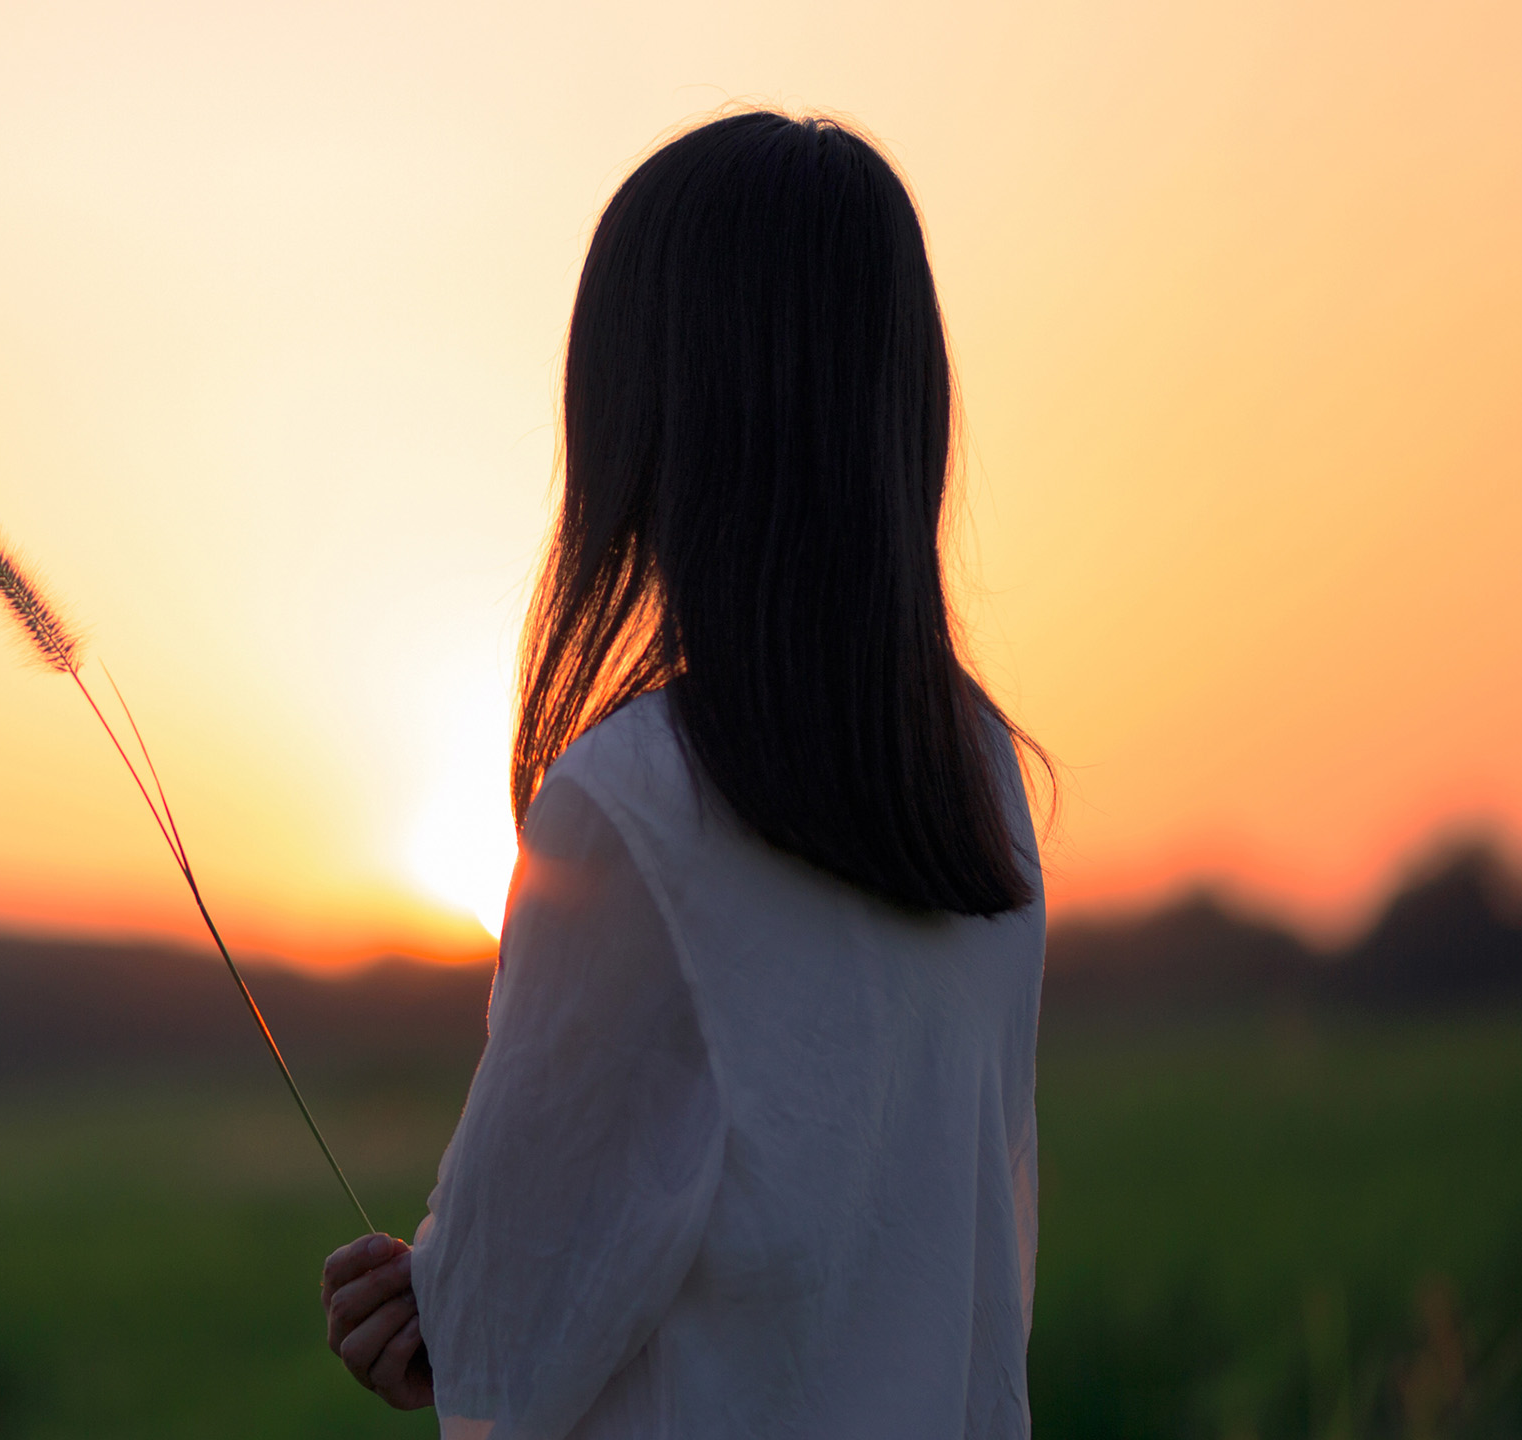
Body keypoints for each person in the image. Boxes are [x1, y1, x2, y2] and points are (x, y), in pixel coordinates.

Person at [319, 109, 1049, 1439]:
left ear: (648, 409)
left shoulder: (636, 806)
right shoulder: (977, 773)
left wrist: (430, 1313)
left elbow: (507, 1340)